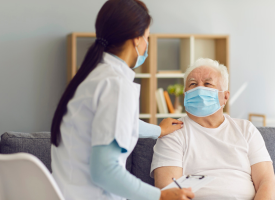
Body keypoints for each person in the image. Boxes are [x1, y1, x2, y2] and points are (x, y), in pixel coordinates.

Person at [50, 0, 194, 200]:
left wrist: (158, 131)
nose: (147, 44)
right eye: (147, 37)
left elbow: (114, 123)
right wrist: (161, 196)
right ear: (137, 39)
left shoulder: (93, 77)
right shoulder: (116, 84)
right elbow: (105, 171)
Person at [151, 58, 275, 200]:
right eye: (192, 84)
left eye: (208, 84)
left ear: (225, 96)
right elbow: (167, 191)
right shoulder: (172, 132)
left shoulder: (246, 129)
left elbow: (267, 181)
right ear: (185, 95)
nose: (199, 89)